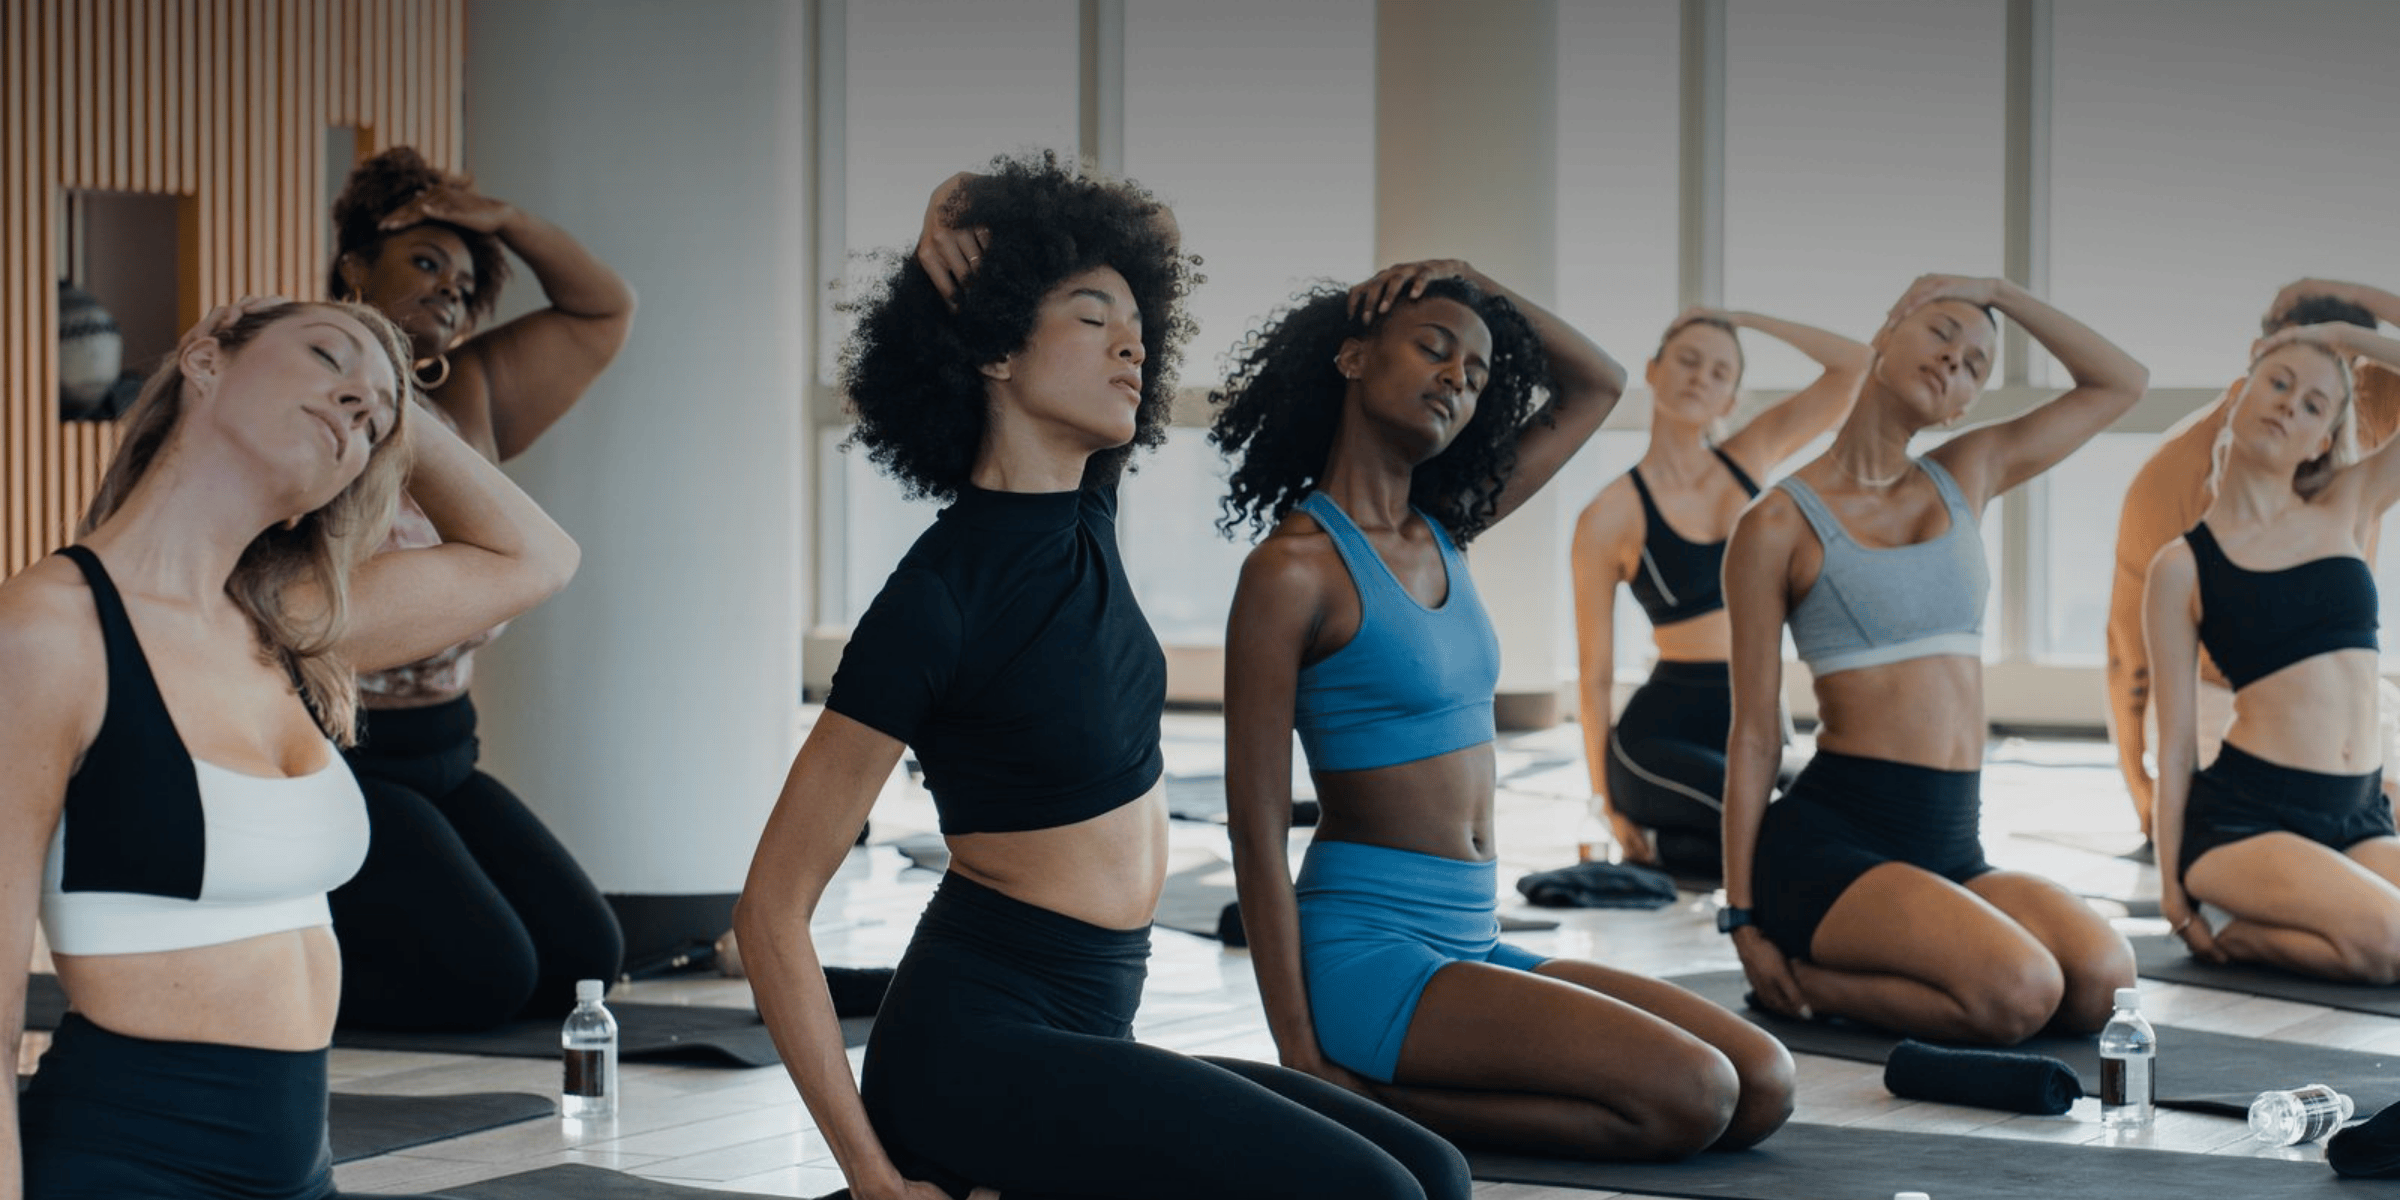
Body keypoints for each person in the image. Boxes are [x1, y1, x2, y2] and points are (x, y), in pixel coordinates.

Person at [734, 156, 1470, 1200]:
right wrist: (871, 1180)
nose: (1132, 342)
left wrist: (963, 209)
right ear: (994, 348)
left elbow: (1153, 238)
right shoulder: (936, 597)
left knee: (1433, 1174)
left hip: (1090, 1022)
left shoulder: (1086, 509)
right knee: (1379, 1197)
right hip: (973, 1051)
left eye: (1135, 322)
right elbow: (772, 909)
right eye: (1091, 318)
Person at [1212, 260, 1792, 1160]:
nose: (1457, 378)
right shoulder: (1292, 570)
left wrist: (1473, 281)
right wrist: (1299, 1049)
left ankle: (1389, 1091)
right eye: (1434, 349)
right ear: (1354, 357)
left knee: (1761, 1085)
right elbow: (1254, 827)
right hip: (1370, 954)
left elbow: (1595, 384)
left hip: (1471, 938)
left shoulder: (1446, 527)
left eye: (1478, 374)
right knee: (1694, 1095)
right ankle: (1361, 1098)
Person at [0, 297, 579, 1197]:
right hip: (126, 1157)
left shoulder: (288, 623)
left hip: (303, 1163)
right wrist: (369, 378)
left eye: (375, 419)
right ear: (203, 359)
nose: (358, 405)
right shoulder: (51, 630)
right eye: (322, 355)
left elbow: (535, 559)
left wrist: (387, 410)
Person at [1722, 275, 2147, 1043]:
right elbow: (1755, 733)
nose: (1957, 359)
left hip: (1951, 845)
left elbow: (2122, 383)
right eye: (1942, 333)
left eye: (1978, 363)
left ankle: (1882, 962)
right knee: (2021, 994)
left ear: (1966, 404)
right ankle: (1806, 980)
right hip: (1833, 846)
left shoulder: (1968, 472)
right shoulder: (1777, 523)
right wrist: (1741, 917)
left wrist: (1997, 292)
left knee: (2104, 985)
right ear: (1884, 338)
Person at [323, 146, 636, 1030]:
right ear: (353, 267)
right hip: (345, 757)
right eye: (424, 263)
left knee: (584, 961)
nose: (449, 290)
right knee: (488, 977)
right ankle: (284, 963)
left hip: (448, 753)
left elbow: (603, 306)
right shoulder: (313, 395)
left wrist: (507, 221)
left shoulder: (472, 391)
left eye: (464, 280)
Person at [1571, 308, 1865, 878]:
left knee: (1844, 808)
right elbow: (1594, 671)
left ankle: (1680, 850)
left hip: (1756, 713)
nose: (1700, 377)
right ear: (1652, 371)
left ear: (1730, 400)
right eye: (1686, 360)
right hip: (1658, 740)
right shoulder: (1608, 516)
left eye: (1719, 371)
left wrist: (1741, 317)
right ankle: (1673, 835)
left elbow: (1854, 367)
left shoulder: (1750, 458)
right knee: (1782, 828)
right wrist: (1604, 801)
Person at [2147, 319, 2400, 982]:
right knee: (2392, 939)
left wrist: (2347, 333)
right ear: (2242, 393)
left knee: (2384, 945)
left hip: (2362, 814)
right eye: (2279, 382)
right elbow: (2175, 745)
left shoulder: (2347, 504)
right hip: (2246, 823)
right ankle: (2245, 927)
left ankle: (2283, 931)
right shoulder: (2181, 566)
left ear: (2323, 439)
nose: (2291, 403)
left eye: (2315, 403)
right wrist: (2171, 890)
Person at [2107, 279, 2400, 844]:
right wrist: (2140, 788)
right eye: (2286, 378)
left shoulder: (2361, 423)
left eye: (2324, 394)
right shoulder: (2168, 478)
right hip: (2226, 699)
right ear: (2257, 363)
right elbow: (2128, 655)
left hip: (2345, 697)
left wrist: (2339, 307)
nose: (2302, 403)